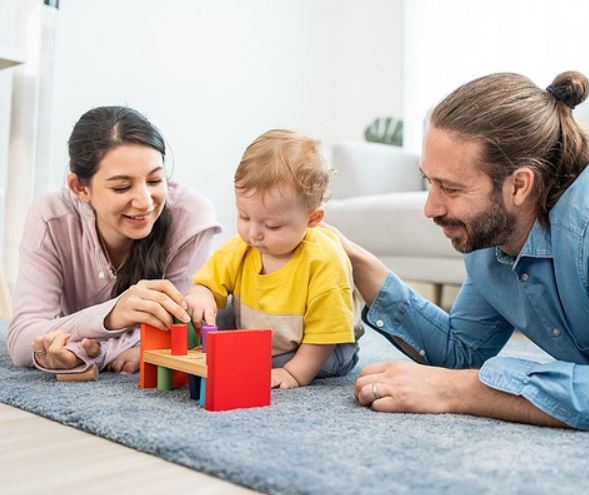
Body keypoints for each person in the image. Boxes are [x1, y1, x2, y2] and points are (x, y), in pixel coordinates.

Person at [338, 71, 589, 437]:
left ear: (519, 185)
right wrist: (358, 264)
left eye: (450, 188)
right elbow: (462, 353)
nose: (430, 208)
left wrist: (459, 390)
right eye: (428, 181)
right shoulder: (494, 238)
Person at [7, 106, 221, 375]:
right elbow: (22, 338)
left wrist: (92, 353)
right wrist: (113, 315)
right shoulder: (51, 216)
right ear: (80, 188)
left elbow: (180, 327)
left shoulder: (191, 215)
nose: (144, 202)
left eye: (155, 179)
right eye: (121, 187)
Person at [185, 128, 362, 389]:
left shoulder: (324, 260)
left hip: (321, 347)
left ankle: (277, 363)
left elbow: (324, 336)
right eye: (244, 217)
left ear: (312, 219)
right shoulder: (243, 247)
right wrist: (201, 293)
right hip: (262, 338)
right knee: (213, 312)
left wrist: (293, 374)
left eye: (272, 226)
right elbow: (207, 284)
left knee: (272, 362)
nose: (253, 233)